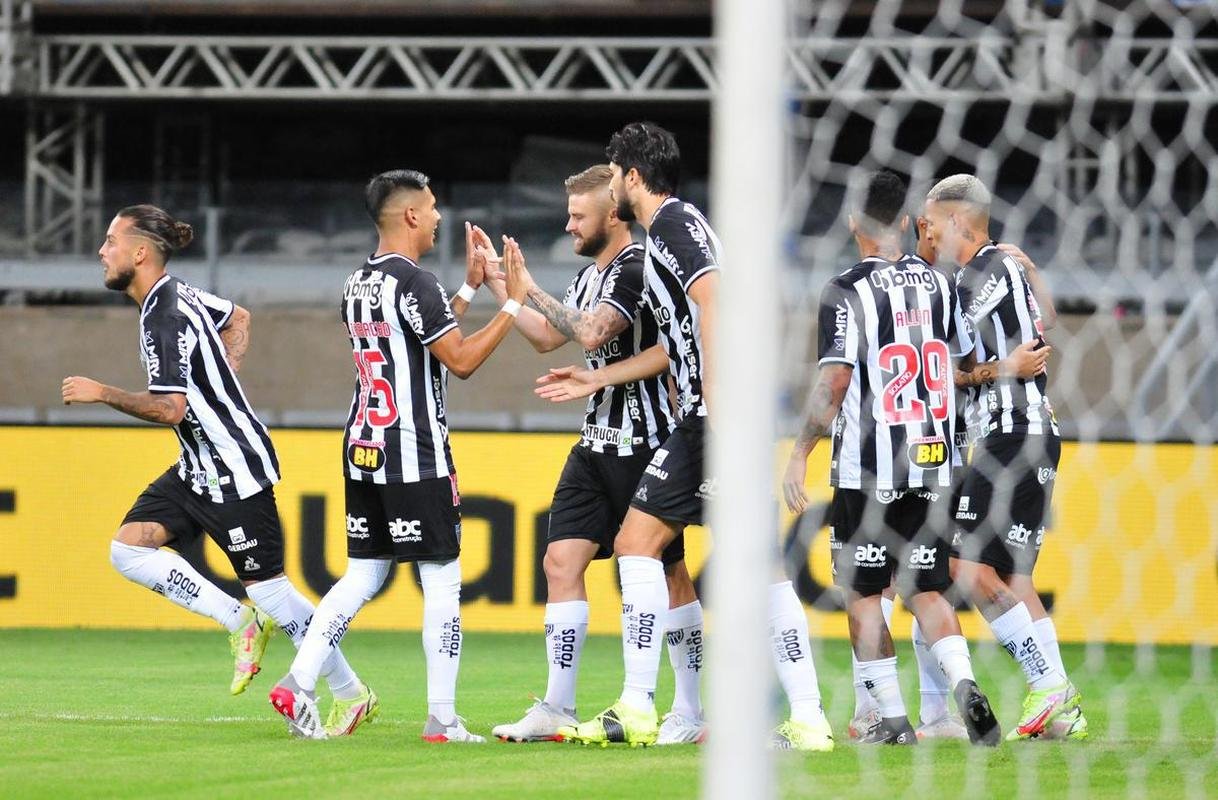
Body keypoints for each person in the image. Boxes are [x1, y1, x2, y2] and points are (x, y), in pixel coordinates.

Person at [536, 123, 833, 751]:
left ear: (632, 177)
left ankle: (639, 707)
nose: (610, 188)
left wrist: (716, 392)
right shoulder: (673, 229)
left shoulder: (672, 224)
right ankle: (806, 718)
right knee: (758, 564)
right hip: (718, 414)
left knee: (637, 544)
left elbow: (714, 299)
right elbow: (676, 341)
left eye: (614, 175)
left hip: (714, 417)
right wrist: (602, 377)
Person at [63, 204, 373, 736]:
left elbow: (170, 409)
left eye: (111, 241)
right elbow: (239, 318)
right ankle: (239, 620)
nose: (102, 250)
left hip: (234, 469)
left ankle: (350, 693)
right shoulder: (177, 293)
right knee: (128, 549)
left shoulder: (163, 316)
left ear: (141, 252)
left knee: (273, 593)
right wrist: (220, 383)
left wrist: (102, 392)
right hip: (195, 468)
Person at [268, 169, 527, 742]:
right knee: (443, 580)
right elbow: (458, 360)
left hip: (364, 445)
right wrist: (512, 303)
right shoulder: (416, 282)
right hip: (415, 452)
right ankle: (442, 718)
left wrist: (467, 290)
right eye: (431, 208)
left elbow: (416, 337)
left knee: (362, 574)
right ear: (410, 215)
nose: (437, 217)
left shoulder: (357, 283)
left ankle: (299, 681)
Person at [482, 165, 704, 745]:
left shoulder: (637, 267)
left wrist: (529, 286)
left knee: (670, 573)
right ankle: (557, 705)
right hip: (595, 443)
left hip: (647, 441)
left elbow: (598, 335)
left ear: (612, 214)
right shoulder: (590, 276)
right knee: (560, 563)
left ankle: (689, 709)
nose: (569, 225)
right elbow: (547, 336)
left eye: (579, 216)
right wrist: (500, 286)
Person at [783, 170, 1001, 746]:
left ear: (852, 220)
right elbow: (964, 363)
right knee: (926, 587)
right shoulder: (939, 284)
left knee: (861, 592)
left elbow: (834, 382)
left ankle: (893, 720)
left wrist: (801, 452)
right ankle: (964, 680)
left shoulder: (845, 290)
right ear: (906, 221)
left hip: (870, 466)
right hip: (935, 459)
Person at [922, 174, 1087, 741]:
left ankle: (1050, 685)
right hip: (1025, 433)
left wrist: (995, 369)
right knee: (1014, 577)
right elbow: (1047, 321)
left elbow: (948, 366)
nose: (928, 233)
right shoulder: (1004, 267)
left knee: (966, 567)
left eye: (933, 223)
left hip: (1012, 434)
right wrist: (1033, 272)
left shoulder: (979, 274)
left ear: (958, 222)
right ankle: (1061, 706)